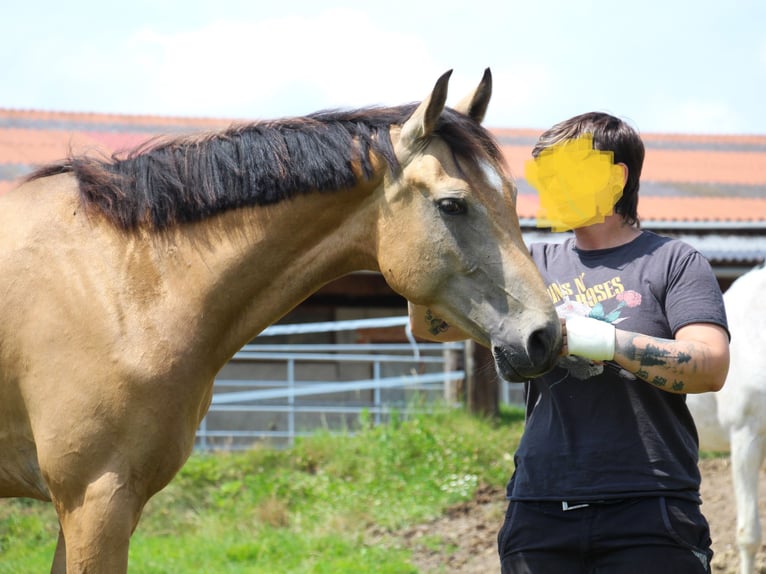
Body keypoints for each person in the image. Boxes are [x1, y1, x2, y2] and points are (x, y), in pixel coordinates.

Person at [409, 112, 730, 574]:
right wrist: (420, 257)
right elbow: (433, 327)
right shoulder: (528, 262)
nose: (550, 187)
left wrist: (597, 340)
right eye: (546, 176)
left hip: (650, 507)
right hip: (539, 508)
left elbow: (711, 366)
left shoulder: (674, 262)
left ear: (616, 178)